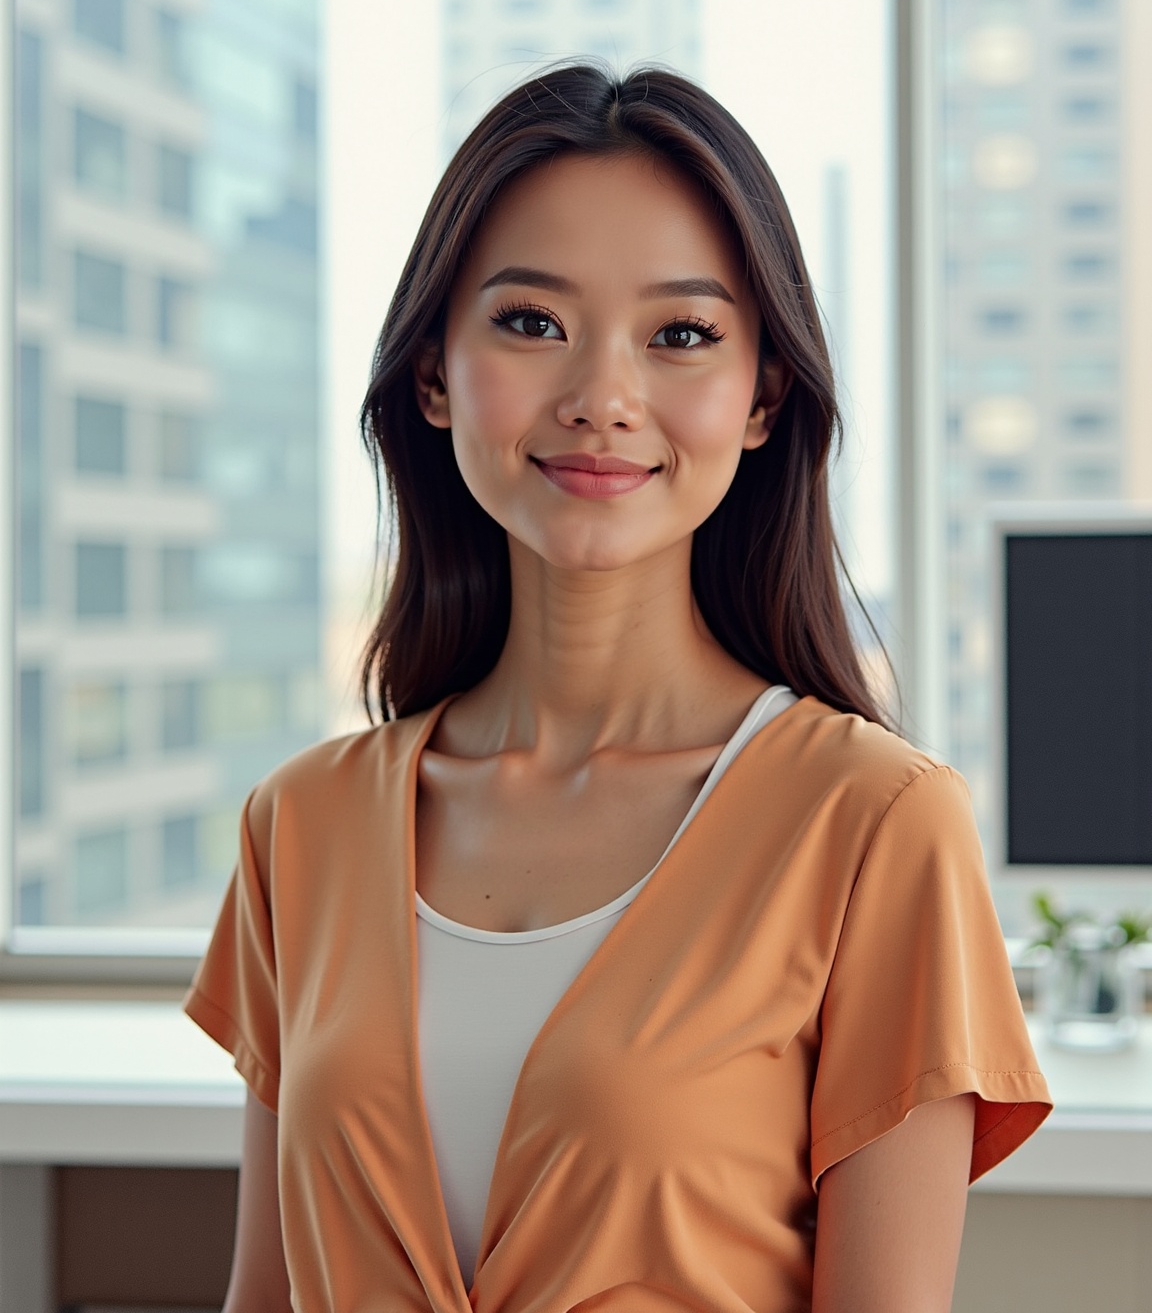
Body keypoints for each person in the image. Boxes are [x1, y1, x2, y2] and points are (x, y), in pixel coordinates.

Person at [186, 65, 1051, 1313]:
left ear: (762, 399)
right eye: (532, 322)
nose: (601, 399)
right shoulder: (300, 826)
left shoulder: (875, 825)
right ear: (433, 375)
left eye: (681, 334)